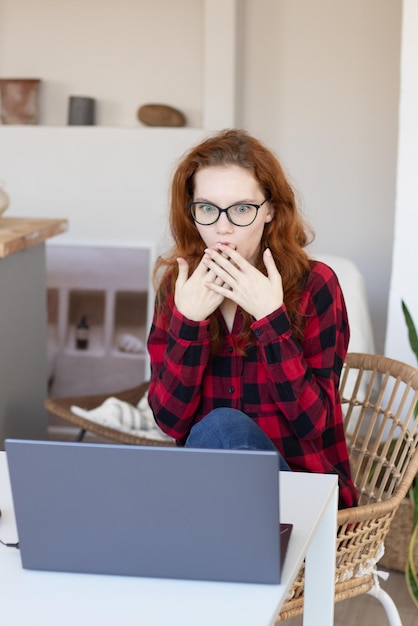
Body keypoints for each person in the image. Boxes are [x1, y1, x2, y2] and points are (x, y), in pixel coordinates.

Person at [147, 128, 358, 509]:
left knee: (223, 425)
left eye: (242, 209)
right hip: (209, 496)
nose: (222, 228)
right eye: (207, 209)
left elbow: (312, 423)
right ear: (191, 212)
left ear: (270, 211)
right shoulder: (178, 287)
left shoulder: (316, 284)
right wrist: (190, 322)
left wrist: (270, 319)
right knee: (214, 435)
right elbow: (170, 422)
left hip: (302, 497)